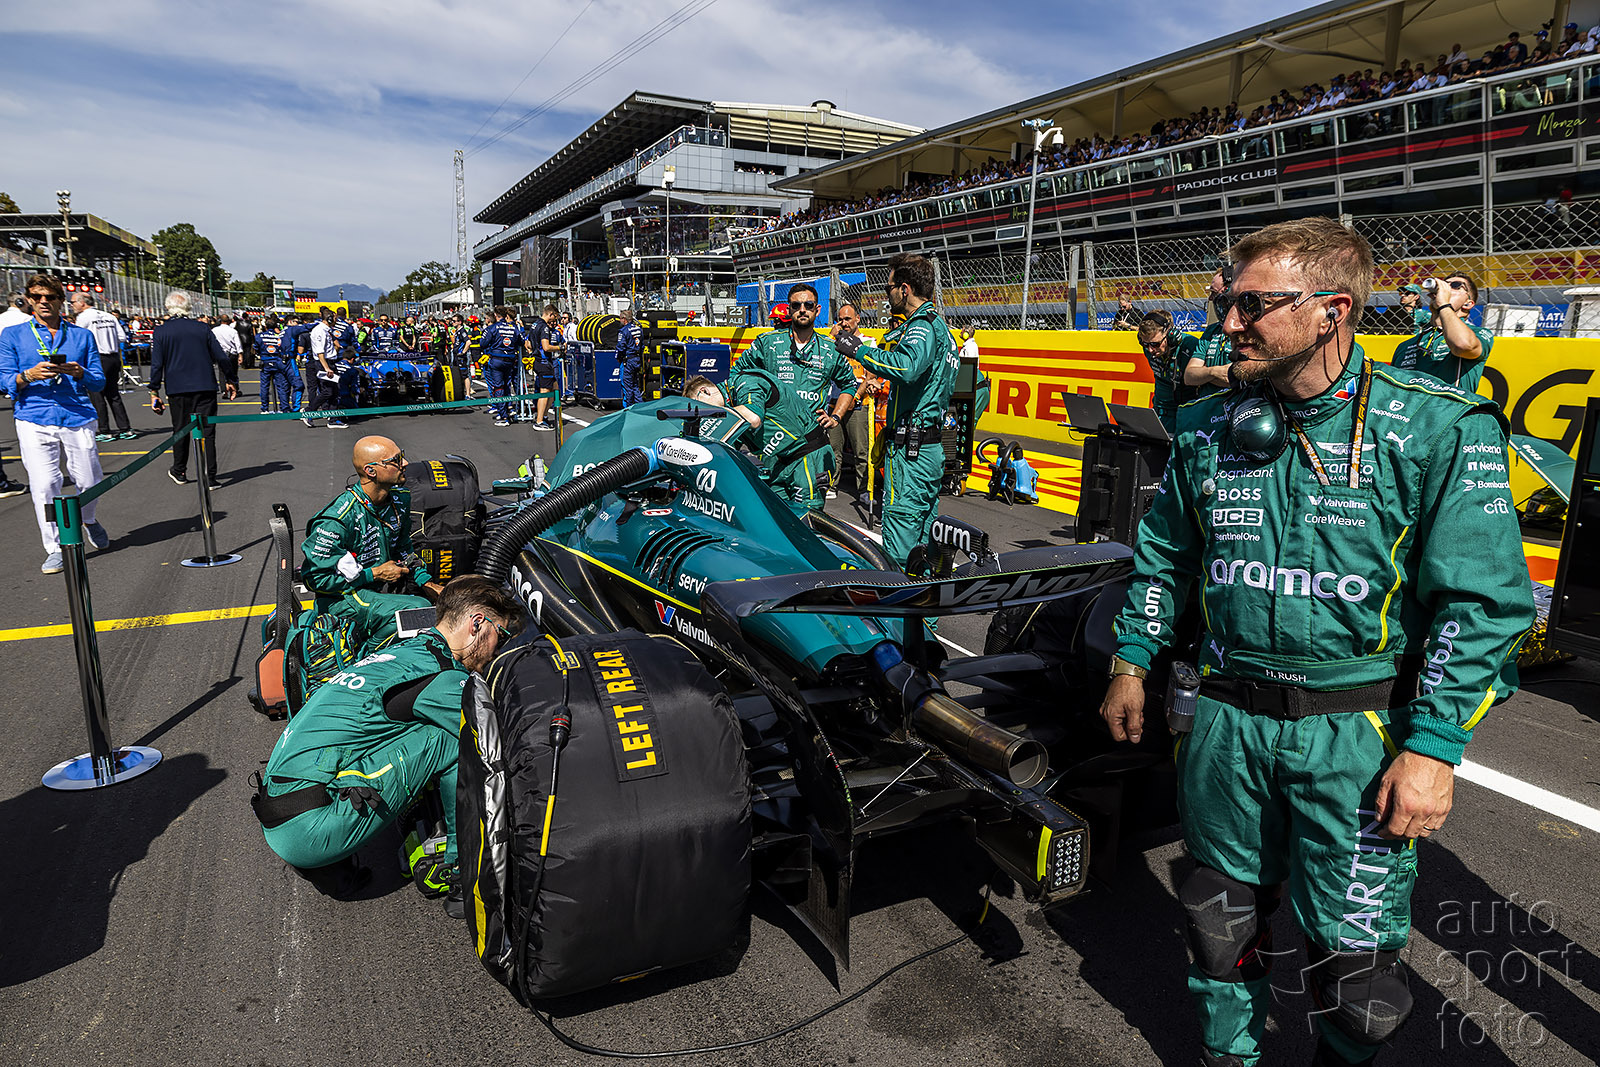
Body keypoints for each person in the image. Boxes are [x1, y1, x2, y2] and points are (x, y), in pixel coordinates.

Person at [1097, 217, 1536, 1067]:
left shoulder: (1440, 426)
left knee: (1358, 977)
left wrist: (1433, 747)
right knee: (1218, 924)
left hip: (1358, 734)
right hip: (1226, 721)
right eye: (1227, 303)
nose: (1229, 323)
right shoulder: (1206, 426)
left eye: (1252, 305)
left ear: (1332, 309)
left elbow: (1483, 605)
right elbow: (1164, 556)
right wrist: (1131, 659)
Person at [254, 574, 522, 911]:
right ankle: (461, 870)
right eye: (502, 635)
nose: (499, 648)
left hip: (280, 811)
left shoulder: (403, 651)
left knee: (411, 729)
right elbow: (499, 738)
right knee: (455, 737)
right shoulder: (440, 675)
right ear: (477, 623)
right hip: (308, 828)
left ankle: (333, 867)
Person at [845, 255, 958, 567]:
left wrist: (858, 350)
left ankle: (899, 597)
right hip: (929, 448)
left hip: (912, 451)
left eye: (889, 288)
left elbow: (906, 368)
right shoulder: (942, 328)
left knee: (900, 542)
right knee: (925, 544)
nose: (888, 294)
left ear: (905, 289)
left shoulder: (921, 326)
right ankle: (925, 598)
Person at [0, 273, 110, 571]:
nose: (43, 302)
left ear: (62, 301)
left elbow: (99, 381)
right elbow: (3, 379)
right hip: (33, 415)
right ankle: (55, 545)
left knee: (89, 479)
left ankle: (88, 519)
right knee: (45, 483)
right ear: (29, 300)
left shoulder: (81, 336)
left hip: (77, 413)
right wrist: (27, 376)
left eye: (50, 297)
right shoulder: (13, 335)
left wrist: (80, 372)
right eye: (37, 297)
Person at [735, 283, 858, 514]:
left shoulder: (831, 350)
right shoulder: (768, 343)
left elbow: (849, 384)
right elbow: (738, 375)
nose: (802, 309)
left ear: (817, 310)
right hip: (773, 450)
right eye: (796, 305)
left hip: (810, 450)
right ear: (789, 309)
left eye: (808, 305)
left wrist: (836, 417)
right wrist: (753, 409)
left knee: (808, 519)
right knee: (772, 518)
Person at [300, 434, 441, 619]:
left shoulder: (400, 499)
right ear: (371, 471)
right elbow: (315, 579)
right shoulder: (336, 521)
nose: (405, 463)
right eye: (396, 460)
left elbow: (403, 547)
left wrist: (427, 583)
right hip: (342, 599)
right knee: (418, 610)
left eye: (402, 455)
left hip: (378, 591)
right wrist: (374, 574)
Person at [148, 291, 238, 489]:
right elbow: (221, 356)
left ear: (168, 307)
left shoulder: (161, 331)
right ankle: (210, 476)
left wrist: (154, 390)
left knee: (180, 430)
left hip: (177, 388)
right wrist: (231, 379)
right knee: (208, 431)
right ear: (189, 307)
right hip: (205, 385)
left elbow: (157, 365)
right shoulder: (202, 328)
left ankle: (179, 470)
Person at [1390, 273, 1493, 393]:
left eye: (1455, 285)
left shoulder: (1477, 334)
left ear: (1468, 304)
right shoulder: (1405, 345)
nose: (1445, 289)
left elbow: (1464, 345)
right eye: (1444, 284)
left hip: (1448, 404)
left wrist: (1444, 304)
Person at [827, 302, 886, 498]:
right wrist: (832, 338)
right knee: (834, 448)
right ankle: (832, 485)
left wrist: (857, 396)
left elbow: (871, 375)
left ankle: (864, 489)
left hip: (860, 404)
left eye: (848, 319)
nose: (844, 323)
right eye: (840, 320)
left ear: (857, 319)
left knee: (862, 451)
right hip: (835, 402)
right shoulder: (833, 342)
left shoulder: (868, 342)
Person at [71, 292, 135, 441]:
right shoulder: (109, 316)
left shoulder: (83, 317)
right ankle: (125, 428)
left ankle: (104, 430)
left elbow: (77, 339)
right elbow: (122, 337)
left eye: (73, 302)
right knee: (113, 394)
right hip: (113, 357)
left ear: (82, 302)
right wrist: (107, 338)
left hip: (97, 358)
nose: (72, 305)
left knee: (97, 395)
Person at [1137, 310, 1200, 436]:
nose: (1150, 350)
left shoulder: (1190, 346)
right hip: (1161, 411)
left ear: (1171, 336)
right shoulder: (1148, 349)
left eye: (1155, 344)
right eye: (1145, 344)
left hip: (1189, 412)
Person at [1181, 271, 1236, 411]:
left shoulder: (1247, 330)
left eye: (1214, 292)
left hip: (1236, 406)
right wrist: (1214, 372)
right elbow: (1189, 376)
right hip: (1207, 408)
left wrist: (1204, 374)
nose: (1211, 298)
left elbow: (1237, 378)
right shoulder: (1211, 331)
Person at [477, 306, 524, 426]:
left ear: (496, 315)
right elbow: (521, 341)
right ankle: (509, 409)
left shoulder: (492, 328)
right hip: (510, 360)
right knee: (507, 385)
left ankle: (503, 416)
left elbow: (483, 343)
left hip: (497, 360)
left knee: (498, 387)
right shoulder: (513, 328)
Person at [526, 303, 565, 430]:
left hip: (538, 361)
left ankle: (544, 415)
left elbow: (528, 344)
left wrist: (533, 351)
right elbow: (546, 347)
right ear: (551, 314)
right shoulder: (544, 327)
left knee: (555, 389)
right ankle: (539, 421)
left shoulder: (534, 324)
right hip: (543, 362)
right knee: (545, 391)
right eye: (555, 317)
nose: (555, 320)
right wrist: (560, 347)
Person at [306, 307, 346, 428]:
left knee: (335, 391)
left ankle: (333, 419)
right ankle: (309, 411)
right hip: (325, 363)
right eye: (334, 318)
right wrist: (327, 368)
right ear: (329, 319)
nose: (336, 320)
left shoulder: (328, 330)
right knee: (327, 391)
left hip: (331, 361)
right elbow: (320, 353)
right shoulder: (319, 331)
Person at [254, 316, 289, 413]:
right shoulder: (279, 336)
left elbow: (256, 348)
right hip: (277, 361)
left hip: (265, 361)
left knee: (264, 386)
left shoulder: (260, 336)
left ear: (265, 326)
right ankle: (284, 408)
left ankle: (265, 408)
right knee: (281, 386)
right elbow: (283, 348)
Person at [616, 306, 644, 407]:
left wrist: (618, 358)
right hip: (637, 360)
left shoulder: (623, 331)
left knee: (627, 387)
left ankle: (628, 409)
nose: (620, 320)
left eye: (620, 318)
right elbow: (642, 346)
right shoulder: (639, 329)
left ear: (624, 319)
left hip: (628, 361)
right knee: (635, 385)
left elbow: (621, 347)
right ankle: (640, 407)